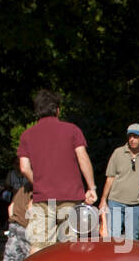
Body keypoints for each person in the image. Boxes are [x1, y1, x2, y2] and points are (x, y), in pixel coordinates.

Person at [16, 89, 98, 250]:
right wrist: (91, 187)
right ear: (57, 110)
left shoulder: (27, 135)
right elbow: (83, 157)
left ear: (37, 111)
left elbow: (24, 168)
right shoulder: (72, 130)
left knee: (38, 248)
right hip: (71, 197)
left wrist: (38, 184)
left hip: (43, 200)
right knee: (69, 248)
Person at [101, 123, 139, 243]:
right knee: (113, 238)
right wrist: (103, 200)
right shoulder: (118, 153)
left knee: (132, 240)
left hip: (135, 203)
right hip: (116, 201)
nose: (132, 139)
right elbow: (110, 177)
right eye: (130, 136)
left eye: (135, 136)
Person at [0, 178, 34, 261]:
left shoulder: (22, 189)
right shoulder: (37, 189)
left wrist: (13, 220)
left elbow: (10, 207)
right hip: (26, 227)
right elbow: (31, 208)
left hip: (14, 225)